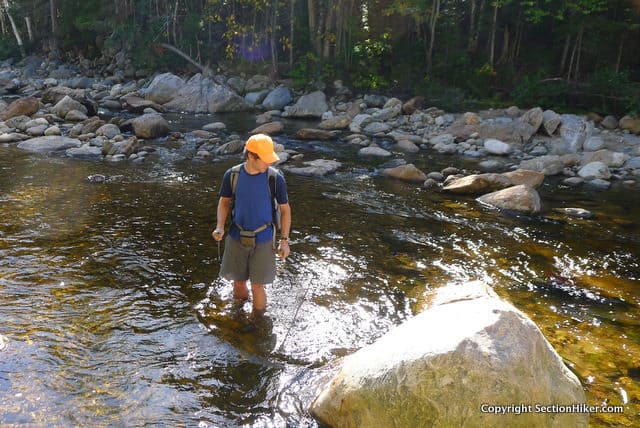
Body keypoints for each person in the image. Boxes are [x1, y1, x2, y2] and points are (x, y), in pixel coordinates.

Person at [211, 134, 291, 323]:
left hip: (264, 239)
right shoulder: (232, 175)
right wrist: (220, 227)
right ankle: (237, 317)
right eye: (265, 159)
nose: (269, 163)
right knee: (238, 282)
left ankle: (258, 321)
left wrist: (284, 240)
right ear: (251, 156)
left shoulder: (275, 178)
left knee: (258, 285)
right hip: (236, 235)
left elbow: (285, 210)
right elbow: (224, 202)